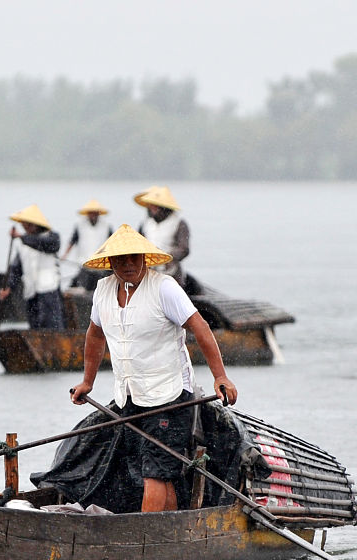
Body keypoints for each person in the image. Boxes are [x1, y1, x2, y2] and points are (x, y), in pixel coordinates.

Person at [70, 224, 236, 513]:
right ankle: (170, 530)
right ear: (110, 263)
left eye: (136, 257)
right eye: (122, 259)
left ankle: (143, 537)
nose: (130, 264)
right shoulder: (103, 290)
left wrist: (220, 376)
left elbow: (200, 328)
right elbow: (95, 335)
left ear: (146, 259)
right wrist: (88, 382)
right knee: (151, 469)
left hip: (170, 394)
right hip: (130, 395)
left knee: (155, 470)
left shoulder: (164, 288)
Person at [0, 204, 64, 329]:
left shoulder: (51, 237)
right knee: (34, 325)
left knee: (52, 325)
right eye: (24, 225)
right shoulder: (23, 243)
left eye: (28, 225)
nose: (25, 228)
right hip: (31, 291)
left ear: (36, 225)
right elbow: (16, 269)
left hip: (49, 289)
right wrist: (8, 287)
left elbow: (46, 245)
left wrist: (21, 237)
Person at [135, 185, 190, 287]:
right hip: (148, 271)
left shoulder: (179, 223)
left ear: (164, 207)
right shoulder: (145, 224)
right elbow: (137, 244)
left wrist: (166, 256)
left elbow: (184, 249)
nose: (151, 208)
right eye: (150, 205)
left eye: (155, 206)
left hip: (171, 273)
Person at [60, 199, 114, 292]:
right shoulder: (80, 226)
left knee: (101, 288)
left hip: (101, 265)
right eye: (91, 213)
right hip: (84, 264)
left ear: (98, 213)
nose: (93, 215)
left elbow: (112, 243)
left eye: (95, 213)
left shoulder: (106, 226)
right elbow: (72, 241)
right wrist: (65, 255)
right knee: (81, 287)